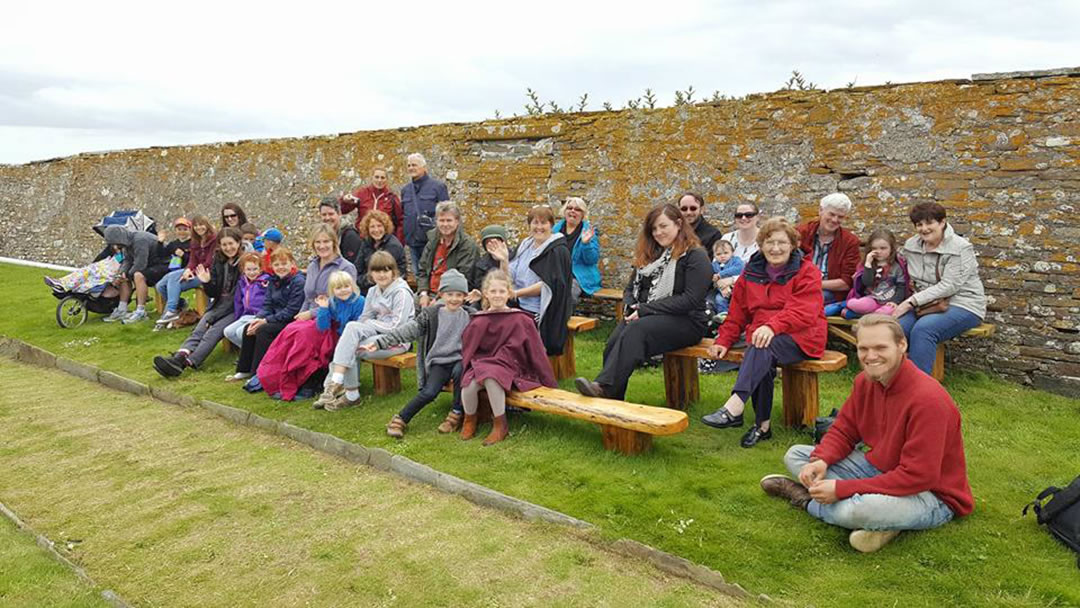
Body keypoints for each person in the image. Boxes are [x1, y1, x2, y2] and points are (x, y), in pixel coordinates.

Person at [759, 314, 973, 553]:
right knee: (797, 455)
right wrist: (822, 460)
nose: (870, 356)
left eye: (881, 347)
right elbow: (845, 429)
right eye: (863, 348)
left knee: (860, 509)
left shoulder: (929, 400)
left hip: (932, 495)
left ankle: (806, 500)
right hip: (880, 469)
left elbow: (919, 476)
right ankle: (883, 523)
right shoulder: (865, 381)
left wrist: (841, 490)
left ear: (902, 345)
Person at [701, 216, 827, 448]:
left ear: (792, 245)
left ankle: (737, 406)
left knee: (760, 345)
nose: (775, 248)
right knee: (760, 350)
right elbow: (737, 311)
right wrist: (724, 340)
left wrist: (772, 326)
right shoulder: (751, 271)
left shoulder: (807, 272)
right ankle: (763, 427)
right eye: (769, 242)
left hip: (802, 336)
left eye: (782, 243)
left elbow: (804, 311)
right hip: (762, 336)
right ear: (761, 245)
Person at [575, 204, 711, 401]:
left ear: (679, 224)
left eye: (663, 226)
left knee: (636, 331)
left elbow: (691, 299)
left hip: (688, 321)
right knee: (614, 342)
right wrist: (631, 305)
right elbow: (630, 288)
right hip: (651, 316)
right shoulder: (652, 254)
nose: (658, 232)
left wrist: (645, 309)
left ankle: (605, 389)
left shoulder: (695, 255)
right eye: (654, 229)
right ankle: (612, 399)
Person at [364, 269, 472, 438]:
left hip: (460, 360)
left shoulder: (470, 316)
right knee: (429, 392)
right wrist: (380, 342)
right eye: (450, 294)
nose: (454, 299)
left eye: (459, 295)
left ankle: (456, 414)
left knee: (461, 372)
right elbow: (407, 331)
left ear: (465, 296)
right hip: (439, 361)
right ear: (441, 294)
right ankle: (401, 418)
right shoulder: (431, 315)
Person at [459, 270, 557, 445]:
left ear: (509, 293)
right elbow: (470, 348)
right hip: (483, 363)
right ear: (486, 294)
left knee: (491, 378)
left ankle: (500, 424)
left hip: (511, 365)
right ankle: (470, 420)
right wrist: (472, 366)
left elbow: (536, 351)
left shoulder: (520, 319)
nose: (497, 295)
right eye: (493, 291)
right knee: (468, 385)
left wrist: (548, 380)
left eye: (502, 291)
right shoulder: (479, 319)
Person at [891, 202, 986, 375]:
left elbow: (949, 285)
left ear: (942, 222)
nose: (924, 228)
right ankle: (892, 380)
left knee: (924, 330)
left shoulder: (960, 247)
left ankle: (918, 388)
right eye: (919, 224)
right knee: (897, 328)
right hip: (925, 304)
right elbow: (898, 267)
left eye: (929, 223)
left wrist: (910, 302)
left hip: (963, 303)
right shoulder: (911, 245)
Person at [313, 251, 416, 411]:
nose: (381, 275)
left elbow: (397, 326)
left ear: (393, 272)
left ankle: (344, 391)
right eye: (377, 271)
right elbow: (364, 317)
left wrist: (370, 324)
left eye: (386, 270)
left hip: (397, 340)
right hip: (377, 335)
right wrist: (364, 326)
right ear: (371, 273)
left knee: (352, 345)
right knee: (351, 330)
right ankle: (339, 385)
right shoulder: (373, 291)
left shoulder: (401, 292)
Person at [257, 271, 366, 401]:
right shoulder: (332, 302)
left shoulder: (359, 301)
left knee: (320, 350)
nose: (343, 291)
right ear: (332, 290)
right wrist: (324, 309)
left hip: (348, 337)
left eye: (346, 286)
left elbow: (356, 325)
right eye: (338, 288)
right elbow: (323, 326)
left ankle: (325, 385)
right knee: (308, 346)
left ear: (352, 286)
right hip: (332, 335)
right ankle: (301, 382)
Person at [152, 228, 245, 377]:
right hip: (220, 304)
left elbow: (236, 297)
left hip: (238, 308)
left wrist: (213, 317)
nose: (228, 248)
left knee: (213, 332)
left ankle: (188, 363)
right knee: (199, 329)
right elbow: (214, 293)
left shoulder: (243, 263)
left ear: (238, 242)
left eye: (231, 244)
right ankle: (179, 357)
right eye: (224, 245)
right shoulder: (219, 260)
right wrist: (207, 282)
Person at [235, 247, 307, 392]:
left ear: (292, 263)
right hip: (275, 317)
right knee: (250, 327)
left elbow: (291, 310)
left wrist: (266, 321)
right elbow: (267, 304)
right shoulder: (273, 280)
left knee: (263, 331)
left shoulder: (298, 281)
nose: (281, 267)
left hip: (291, 320)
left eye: (284, 263)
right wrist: (259, 318)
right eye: (277, 265)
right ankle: (245, 368)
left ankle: (258, 373)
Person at [505, 205, 573, 355]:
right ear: (529, 225)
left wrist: (517, 293)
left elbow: (549, 285)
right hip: (518, 304)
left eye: (544, 223)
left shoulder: (557, 250)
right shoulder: (525, 246)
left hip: (541, 311)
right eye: (535, 223)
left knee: (513, 333)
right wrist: (503, 259)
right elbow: (511, 272)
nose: (539, 227)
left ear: (551, 225)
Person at [797, 193, 860, 305]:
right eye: (831, 214)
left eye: (840, 217)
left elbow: (846, 282)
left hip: (830, 291)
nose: (835, 220)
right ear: (821, 211)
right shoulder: (801, 233)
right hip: (798, 286)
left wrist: (814, 284)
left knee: (809, 299)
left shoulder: (850, 241)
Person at [155, 216, 217, 326]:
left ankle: (171, 310)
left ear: (207, 225)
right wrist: (188, 270)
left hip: (207, 273)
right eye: (196, 225)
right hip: (194, 270)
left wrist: (191, 271)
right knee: (161, 285)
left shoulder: (214, 240)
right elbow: (193, 260)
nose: (199, 227)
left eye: (201, 224)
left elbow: (209, 262)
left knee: (174, 280)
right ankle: (179, 305)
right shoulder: (195, 241)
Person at [416, 201, 480, 308]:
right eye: (442, 220)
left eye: (449, 220)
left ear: (457, 221)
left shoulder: (467, 245)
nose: (445, 224)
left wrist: (438, 298)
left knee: (433, 311)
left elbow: (462, 277)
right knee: (410, 303)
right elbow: (422, 270)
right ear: (436, 221)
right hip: (429, 291)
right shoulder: (432, 241)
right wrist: (423, 293)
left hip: (452, 294)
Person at [839, 229, 910, 319]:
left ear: (891, 248)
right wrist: (868, 264)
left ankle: (857, 315)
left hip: (888, 302)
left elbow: (901, 287)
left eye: (883, 248)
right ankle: (846, 307)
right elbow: (867, 282)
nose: (878, 251)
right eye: (874, 248)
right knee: (855, 304)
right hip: (872, 299)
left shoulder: (897, 267)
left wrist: (895, 302)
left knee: (885, 314)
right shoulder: (870, 264)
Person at [294, 223, 358, 322]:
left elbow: (345, 302)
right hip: (308, 319)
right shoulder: (312, 266)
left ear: (334, 243)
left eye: (326, 241)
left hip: (331, 319)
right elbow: (308, 299)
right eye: (318, 242)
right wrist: (298, 319)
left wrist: (311, 314)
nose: (322, 246)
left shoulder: (346, 267)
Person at [400, 153, 450, 272]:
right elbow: (403, 214)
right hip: (412, 241)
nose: (411, 168)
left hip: (432, 242)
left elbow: (447, 213)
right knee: (418, 274)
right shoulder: (405, 190)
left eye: (414, 165)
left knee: (433, 273)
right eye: (409, 165)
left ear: (424, 167)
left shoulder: (438, 187)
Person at [101, 224, 160, 324]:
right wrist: (121, 274)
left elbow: (140, 264)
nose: (115, 246)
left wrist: (127, 275)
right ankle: (122, 309)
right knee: (124, 276)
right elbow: (127, 260)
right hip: (150, 266)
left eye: (115, 242)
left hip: (162, 264)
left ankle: (141, 311)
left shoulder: (140, 240)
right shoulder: (126, 244)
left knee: (137, 275)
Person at [552, 197, 601, 307]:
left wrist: (586, 244)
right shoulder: (555, 230)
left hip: (579, 277)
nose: (573, 211)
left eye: (577, 209)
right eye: (569, 208)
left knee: (568, 292)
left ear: (583, 214)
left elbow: (592, 260)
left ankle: (562, 321)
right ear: (564, 211)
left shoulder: (588, 231)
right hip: (558, 274)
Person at [340, 167, 404, 243]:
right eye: (376, 177)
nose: (379, 180)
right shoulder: (362, 193)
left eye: (382, 178)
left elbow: (401, 221)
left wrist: (398, 242)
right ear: (372, 178)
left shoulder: (391, 197)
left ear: (386, 180)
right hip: (363, 239)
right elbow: (343, 210)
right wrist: (344, 201)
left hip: (384, 240)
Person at [223, 252, 270, 349]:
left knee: (241, 332)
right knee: (228, 331)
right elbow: (238, 302)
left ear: (260, 269)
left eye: (255, 269)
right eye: (248, 269)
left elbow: (270, 300)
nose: (252, 272)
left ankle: (251, 353)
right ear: (243, 270)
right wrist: (239, 317)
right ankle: (247, 351)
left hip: (259, 315)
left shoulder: (265, 282)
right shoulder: (242, 282)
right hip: (246, 315)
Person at [353, 210, 407, 293]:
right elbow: (357, 268)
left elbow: (382, 275)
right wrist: (359, 280)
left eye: (379, 226)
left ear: (385, 227)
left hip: (389, 289)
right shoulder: (366, 243)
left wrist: (361, 280)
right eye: (372, 227)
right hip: (367, 286)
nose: (376, 230)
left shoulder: (393, 246)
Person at [141, 217, 192, 292]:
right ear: (175, 231)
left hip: (185, 269)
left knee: (169, 282)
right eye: (179, 229)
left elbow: (194, 259)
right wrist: (160, 242)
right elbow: (161, 255)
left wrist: (183, 255)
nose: (182, 232)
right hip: (171, 268)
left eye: (185, 229)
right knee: (157, 281)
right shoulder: (173, 244)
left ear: (190, 230)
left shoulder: (193, 244)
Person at [318, 197, 364, 263]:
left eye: (331, 214)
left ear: (339, 214)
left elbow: (353, 266)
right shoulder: (323, 234)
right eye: (324, 215)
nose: (327, 218)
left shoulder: (350, 236)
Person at [469, 224, 514, 290]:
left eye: (496, 242)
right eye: (488, 242)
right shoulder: (480, 265)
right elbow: (479, 286)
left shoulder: (516, 257)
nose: (493, 245)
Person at [710, 239, 744, 318]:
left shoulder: (736, 260)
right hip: (722, 290)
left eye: (726, 253)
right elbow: (713, 279)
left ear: (732, 252)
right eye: (718, 254)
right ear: (714, 255)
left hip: (738, 288)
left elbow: (739, 269)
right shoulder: (714, 265)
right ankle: (724, 316)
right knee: (719, 299)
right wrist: (722, 287)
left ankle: (738, 317)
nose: (722, 256)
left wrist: (721, 274)